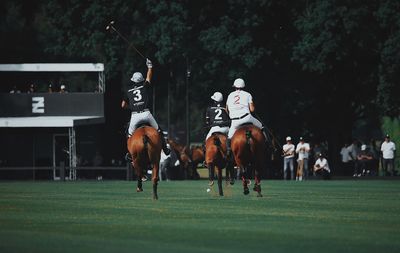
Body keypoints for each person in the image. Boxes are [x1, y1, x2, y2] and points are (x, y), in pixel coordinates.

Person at [121, 58, 170, 159]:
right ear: (141, 80)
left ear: (133, 80)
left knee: (129, 135)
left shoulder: (129, 91)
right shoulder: (144, 86)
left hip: (135, 116)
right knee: (159, 131)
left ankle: (129, 153)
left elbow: (122, 105)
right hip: (146, 114)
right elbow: (149, 77)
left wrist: (133, 106)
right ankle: (165, 149)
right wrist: (150, 67)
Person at [225, 78, 267, 155]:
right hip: (247, 118)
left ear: (234, 86)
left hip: (235, 121)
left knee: (229, 137)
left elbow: (227, 110)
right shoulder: (248, 94)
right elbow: (252, 109)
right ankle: (268, 145)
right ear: (243, 86)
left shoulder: (230, 95)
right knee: (261, 127)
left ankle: (228, 152)